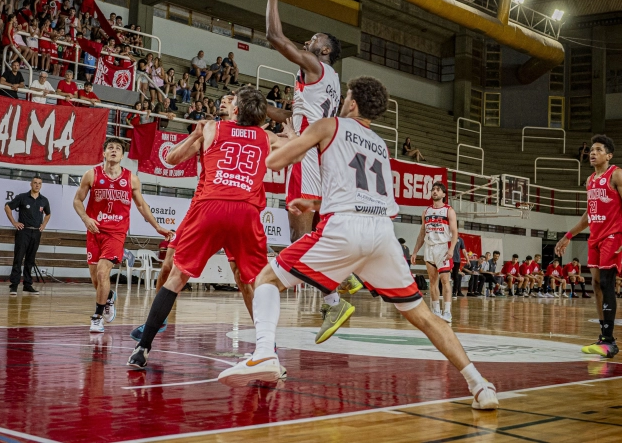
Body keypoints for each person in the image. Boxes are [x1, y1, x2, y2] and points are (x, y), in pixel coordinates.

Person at [214, 76, 499, 409]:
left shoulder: (329, 125)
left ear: (351, 103)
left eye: (345, 97)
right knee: (424, 317)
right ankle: (479, 385)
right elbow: (366, 196)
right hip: (381, 234)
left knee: (266, 279)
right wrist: (316, 204)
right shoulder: (380, 145)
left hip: (344, 230)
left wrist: (291, 137)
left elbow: (274, 162)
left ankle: (264, 353)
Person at [126, 86, 290, 369]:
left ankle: (144, 346)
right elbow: (295, 150)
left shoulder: (212, 128)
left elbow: (170, 159)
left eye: (230, 99)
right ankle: (267, 347)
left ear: (236, 108)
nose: (225, 102)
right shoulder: (264, 136)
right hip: (240, 210)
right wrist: (294, 134)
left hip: (210, 206)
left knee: (183, 275)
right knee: (253, 280)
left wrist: (196, 133)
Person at [258, 0, 358, 342]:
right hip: (316, 152)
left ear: (324, 50)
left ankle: (334, 298)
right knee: (308, 229)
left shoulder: (315, 66)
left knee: (299, 233)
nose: (307, 41)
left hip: (307, 156)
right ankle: (343, 276)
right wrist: (262, 108)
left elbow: (274, 36)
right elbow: (294, 116)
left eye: (314, 39)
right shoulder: (329, 81)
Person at [74, 138, 173, 333]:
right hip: (94, 230)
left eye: (118, 148)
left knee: (103, 272)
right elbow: (77, 200)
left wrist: (157, 227)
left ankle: (97, 318)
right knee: (96, 278)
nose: (114, 150)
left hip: (116, 233)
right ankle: (109, 297)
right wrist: (86, 218)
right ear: (104, 153)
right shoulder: (91, 174)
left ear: (122, 155)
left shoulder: (131, 179)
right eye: (110, 147)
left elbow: (141, 205)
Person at [555, 134, 622, 359]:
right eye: (591, 150)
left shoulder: (617, 175)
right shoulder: (590, 180)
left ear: (609, 155)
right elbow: (589, 214)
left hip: (614, 236)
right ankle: (603, 337)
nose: (593, 153)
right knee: (597, 284)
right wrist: (568, 235)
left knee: (608, 282)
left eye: (599, 150)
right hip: (595, 237)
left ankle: (610, 341)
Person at [410, 182, 456, 322]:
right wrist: (415, 252)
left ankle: (447, 311)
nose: (435, 191)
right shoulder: (426, 211)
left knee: (445, 280)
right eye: (433, 189)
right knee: (433, 281)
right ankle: (436, 311)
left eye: (438, 190)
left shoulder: (449, 210)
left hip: (443, 247)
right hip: (429, 248)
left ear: (443, 194)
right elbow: (422, 233)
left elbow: (455, 232)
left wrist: (451, 249)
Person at [4, 176, 51, 295]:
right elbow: (7, 207)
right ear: (31, 184)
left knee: (30, 259)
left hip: (36, 232)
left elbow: (48, 214)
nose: (37, 185)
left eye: (39, 183)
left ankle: (27, 285)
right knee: (18, 258)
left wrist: (44, 224)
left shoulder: (44, 200)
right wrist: (14, 222)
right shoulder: (22, 197)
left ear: (41, 185)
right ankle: (14, 285)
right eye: (35, 183)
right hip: (23, 231)